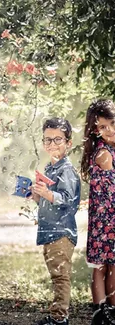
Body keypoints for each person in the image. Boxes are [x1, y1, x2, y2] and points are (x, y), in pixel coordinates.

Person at [31, 117, 81, 325]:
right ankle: (57, 314)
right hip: (50, 231)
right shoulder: (50, 169)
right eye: (47, 140)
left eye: (57, 140)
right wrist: (36, 194)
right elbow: (49, 201)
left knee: (61, 276)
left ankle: (60, 318)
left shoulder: (66, 171)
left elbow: (69, 201)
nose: (52, 144)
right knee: (55, 275)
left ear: (68, 143)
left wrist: (48, 194)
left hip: (62, 232)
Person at [81, 99, 115, 324]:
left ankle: (108, 309)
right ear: (94, 130)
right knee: (102, 266)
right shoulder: (104, 154)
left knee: (111, 265)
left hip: (107, 218)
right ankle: (101, 310)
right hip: (107, 219)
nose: (108, 130)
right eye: (102, 127)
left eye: (111, 123)